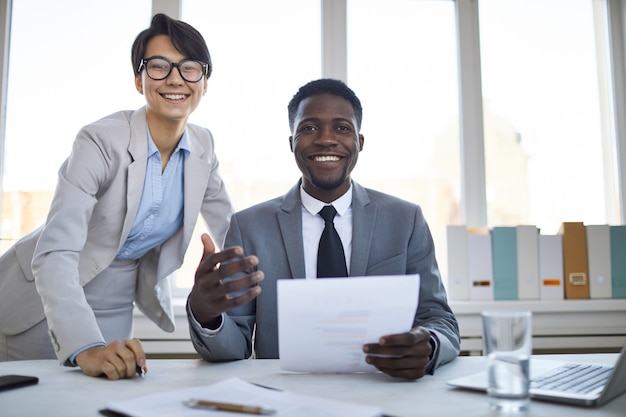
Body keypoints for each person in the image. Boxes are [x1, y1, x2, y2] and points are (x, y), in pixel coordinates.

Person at [0, 14, 233, 380]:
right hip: (42, 300)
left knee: (108, 395)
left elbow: (234, 232)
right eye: (159, 67)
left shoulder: (204, 145)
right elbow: (55, 251)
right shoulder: (99, 141)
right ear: (139, 81)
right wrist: (84, 346)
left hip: (116, 302)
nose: (175, 78)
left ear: (205, 82)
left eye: (190, 68)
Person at [187, 78, 460, 380]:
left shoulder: (405, 220)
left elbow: (438, 318)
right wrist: (206, 315)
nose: (326, 139)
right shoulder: (249, 226)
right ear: (291, 142)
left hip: (383, 391)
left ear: (360, 142)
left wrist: (430, 346)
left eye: (342, 128)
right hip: (285, 399)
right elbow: (235, 347)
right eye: (309, 128)